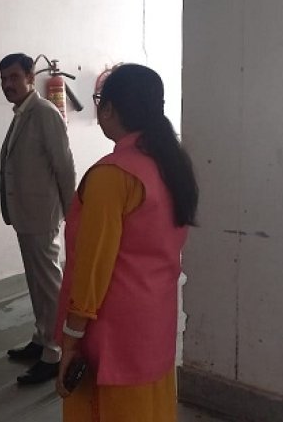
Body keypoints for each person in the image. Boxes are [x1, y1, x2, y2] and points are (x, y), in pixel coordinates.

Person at [54, 64, 198, 422]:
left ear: (108, 109)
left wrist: (70, 339)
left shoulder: (112, 175)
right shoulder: (169, 166)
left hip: (111, 336)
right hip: (154, 327)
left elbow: (92, 271)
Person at [0, 52, 76, 384]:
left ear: (31, 77)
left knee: (50, 285)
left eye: (14, 77)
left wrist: (72, 214)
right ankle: (42, 336)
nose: (7, 84)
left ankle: (55, 351)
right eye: (3, 79)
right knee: (36, 282)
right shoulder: (22, 113)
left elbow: (64, 166)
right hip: (25, 214)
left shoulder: (44, 112)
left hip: (42, 215)